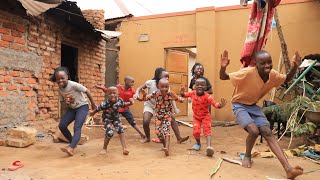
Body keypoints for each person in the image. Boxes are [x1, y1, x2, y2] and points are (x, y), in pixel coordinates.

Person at [219, 49, 304, 179]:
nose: (267, 65)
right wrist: (223, 67)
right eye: (262, 63)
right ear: (255, 64)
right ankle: (247, 156)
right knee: (253, 131)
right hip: (239, 104)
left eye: (269, 62)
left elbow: (287, 79)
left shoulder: (273, 75)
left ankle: (289, 169)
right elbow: (223, 76)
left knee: (267, 132)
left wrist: (295, 67)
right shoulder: (246, 72)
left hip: (253, 105)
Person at [49, 67, 96, 156]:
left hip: (82, 107)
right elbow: (63, 103)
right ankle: (72, 143)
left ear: (67, 77)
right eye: (58, 79)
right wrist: (67, 103)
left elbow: (87, 91)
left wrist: (93, 104)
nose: (60, 80)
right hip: (72, 109)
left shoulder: (74, 85)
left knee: (77, 127)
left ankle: (71, 148)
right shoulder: (60, 89)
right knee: (62, 125)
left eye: (62, 78)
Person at [134, 68, 189, 144]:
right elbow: (140, 88)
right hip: (150, 105)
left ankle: (178, 138)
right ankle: (147, 137)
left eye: (167, 77)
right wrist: (137, 93)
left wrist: (175, 108)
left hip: (161, 108)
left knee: (172, 118)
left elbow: (172, 98)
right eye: (165, 76)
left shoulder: (166, 86)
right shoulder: (150, 83)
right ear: (158, 76)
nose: (166, 78)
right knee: (146, 121)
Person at [180, 78, 227, 156]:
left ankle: (209, 147)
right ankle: (198, 144)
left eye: (202, 85)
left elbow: (215, 104)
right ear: (195, 86)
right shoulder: (192, 93)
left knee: (207, 131)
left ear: (205, 88)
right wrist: (181, 92)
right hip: (196, 117)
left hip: (205, 116)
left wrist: (220, 105)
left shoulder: (207, 96)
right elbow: (184, 95)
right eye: (197, 85)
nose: (199, 86)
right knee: (196, 132)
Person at [137, 78, 183, 156]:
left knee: (166, 131)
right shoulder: (155, 94)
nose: (164, 89)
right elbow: (144, 99)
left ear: (168, 87)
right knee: (158, 132)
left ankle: (167, 148)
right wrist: (142, 95)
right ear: (158, 87)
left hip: (167, 115)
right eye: (162, 87)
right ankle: (164, 145)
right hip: (158, 116)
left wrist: (182, 96)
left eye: (166, 87)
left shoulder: (170, 93)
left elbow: (179, 99)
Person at [95, 76, 146, 140]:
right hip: (115, 108)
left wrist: (144, 95)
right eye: (132, 82)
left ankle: (142, 134)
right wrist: (100, 87)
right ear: (126, 82)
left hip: (125, 108)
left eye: (133, 82)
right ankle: (109, 132)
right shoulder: (118, 87)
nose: (133, 84)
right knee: (111, 120)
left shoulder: (132, 91)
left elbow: (139, 99)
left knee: (132, 121)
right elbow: (108, 90)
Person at [90, 86, 133, 155]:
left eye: (114, 93)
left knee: (120, 130)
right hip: (107, 119)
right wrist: (92, 113)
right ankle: (104, 148)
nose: (112, 95)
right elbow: (97, 109)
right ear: (107, 94)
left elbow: (123, 104)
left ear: (118, 94)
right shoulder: (105, 104)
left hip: (116, 118)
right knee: (110, 132)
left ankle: (124, 148)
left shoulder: (120, 100)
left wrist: (130, 103)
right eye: (110, 93)